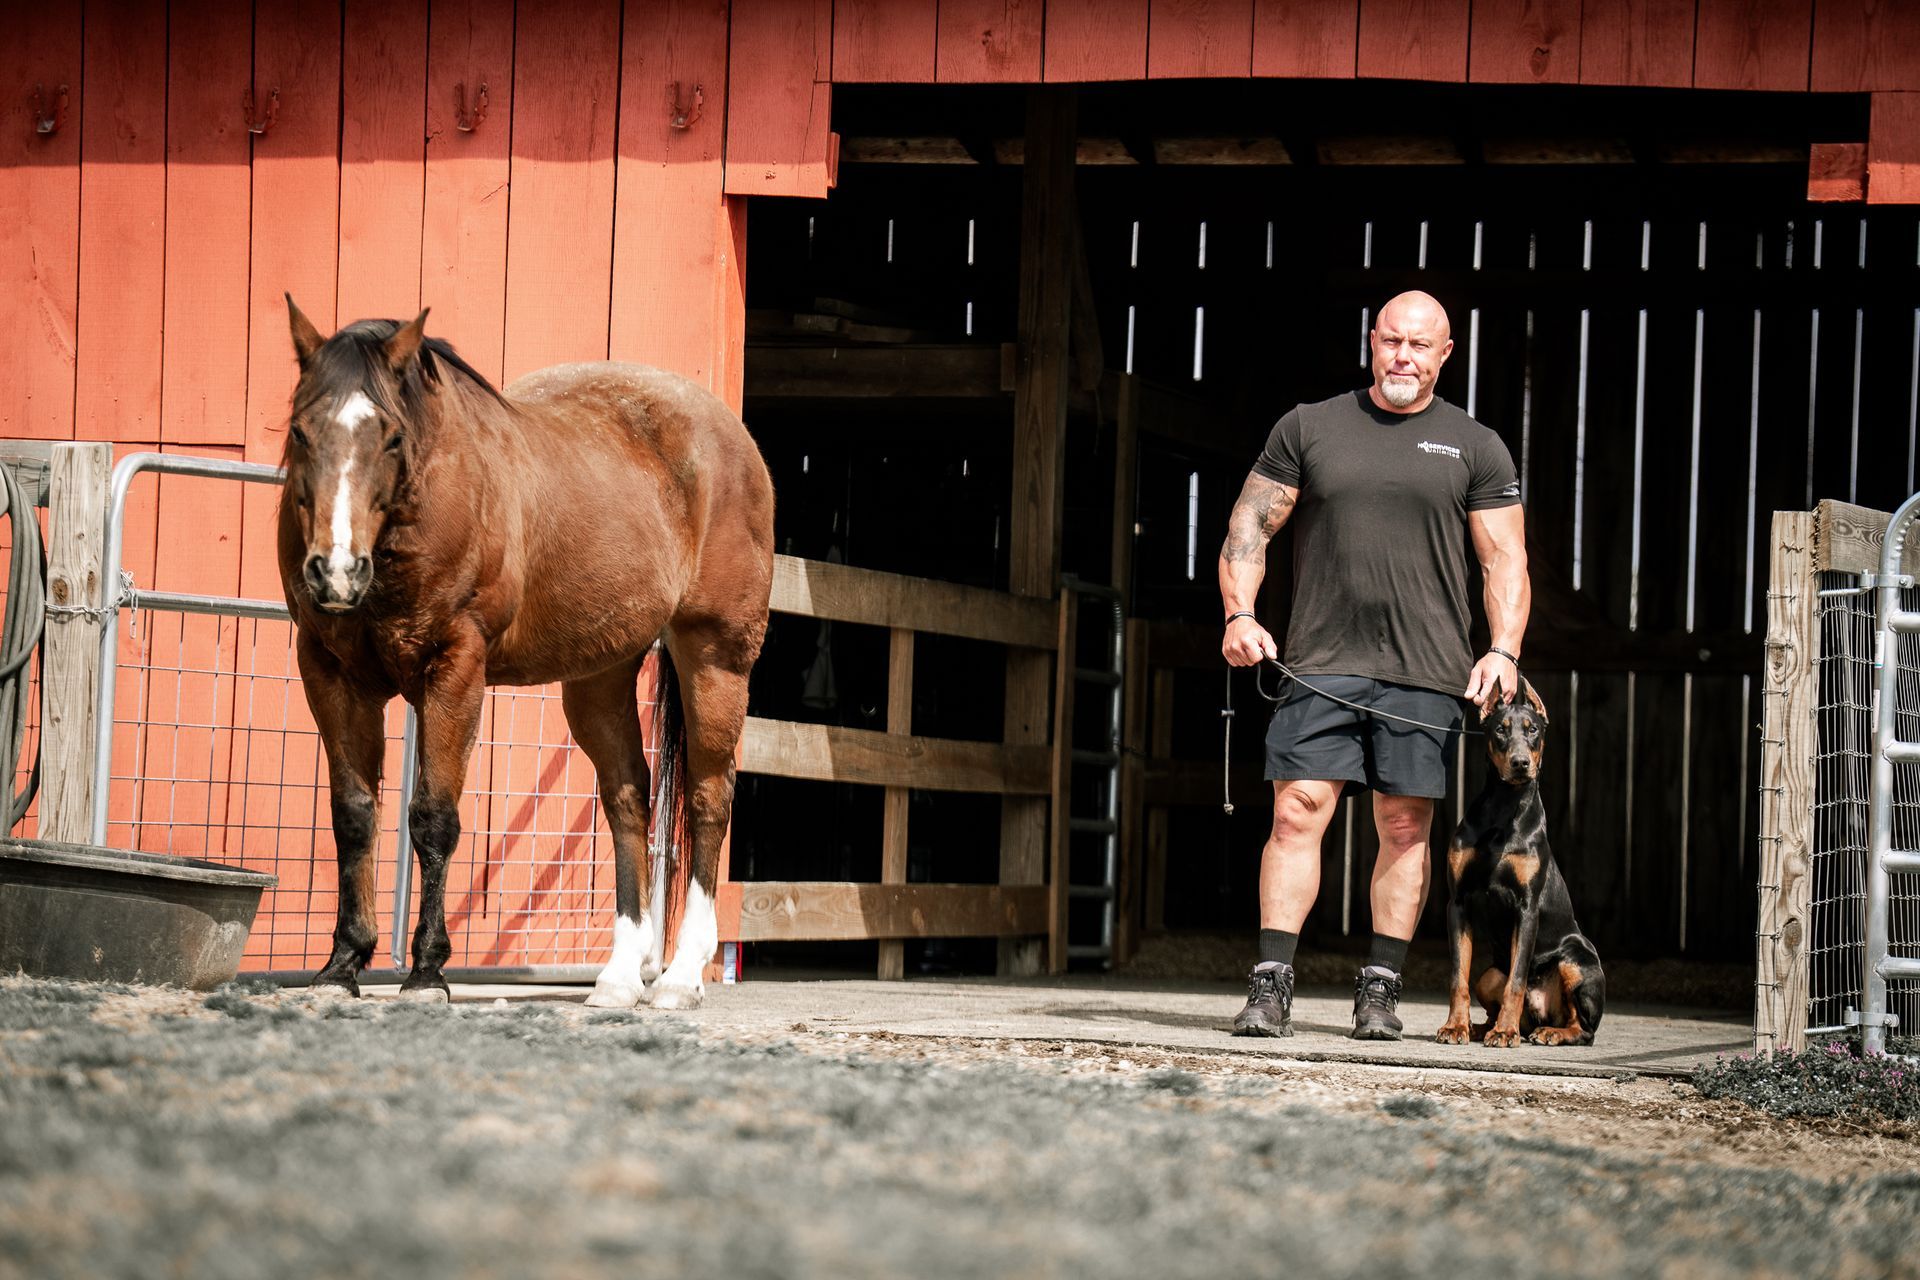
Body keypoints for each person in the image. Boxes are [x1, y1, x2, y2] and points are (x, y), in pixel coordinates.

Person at [1217, 290, 1530, 1041]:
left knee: (1403, 825)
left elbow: (1504, 559)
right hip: (1320, 660)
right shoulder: (1310, 426)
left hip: (1424, 670)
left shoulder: (1475, 445)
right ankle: (1270, 985)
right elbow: (1249, 525)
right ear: (1371, 341)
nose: (1403, 357)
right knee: (1297, 813)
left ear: (1445, 355)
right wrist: (1239, 613)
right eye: (1392, 340)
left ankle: (1381, 992)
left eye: (1420, 346)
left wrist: (1503, 648)